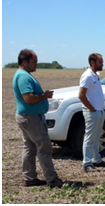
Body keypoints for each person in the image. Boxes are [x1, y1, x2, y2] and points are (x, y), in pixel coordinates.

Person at [13, 49, 64, 188]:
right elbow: (28, 98)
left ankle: (29, 177)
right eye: (34, 61)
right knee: (44, 148)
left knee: (29, 147)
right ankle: (51, 179)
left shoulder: (21, 75)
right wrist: (44, 96)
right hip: (31, 118)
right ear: (25, 61)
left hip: (26, 117)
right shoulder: (24, 77)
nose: (36, 64)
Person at [78, 53, 105, 173]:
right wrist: (91, 109)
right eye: (100, 62)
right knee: (90, 137)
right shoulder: (87, 76)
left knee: (97, 136)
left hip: (99, 110)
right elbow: (81, 95)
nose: (102, 64)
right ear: (92, 63)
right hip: (92, 112)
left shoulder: (96, 75)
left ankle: (97, 159)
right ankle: (87, 163)